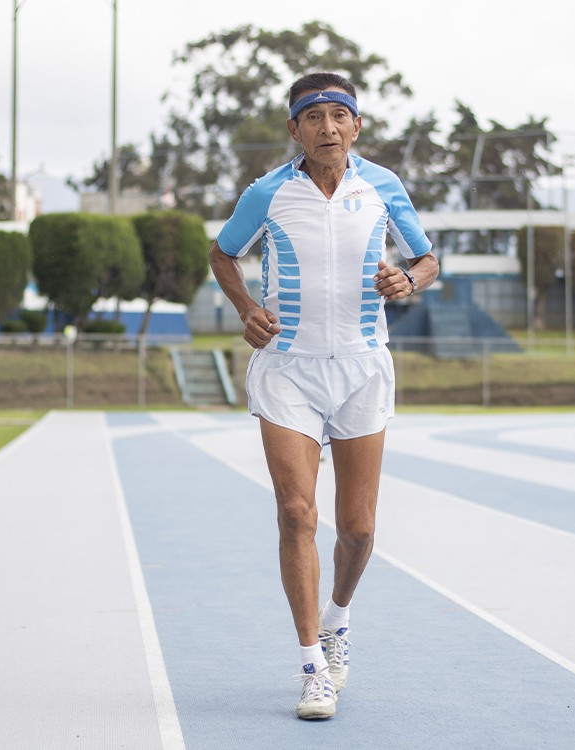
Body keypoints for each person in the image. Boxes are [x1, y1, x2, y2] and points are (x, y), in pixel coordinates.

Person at [208, 72, 439, 720]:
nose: (328, 128)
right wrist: (246, 307)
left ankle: (338, 618)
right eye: (314, 118)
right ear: (295, 130)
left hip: (363, 368)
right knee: (296, 514)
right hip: (287, 368)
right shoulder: (268, 193)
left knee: (360, 530)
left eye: (340, 116)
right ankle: (312, 664)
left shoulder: (383, 187)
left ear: (356, 126)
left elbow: (428, 259)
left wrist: (408, 280)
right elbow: (222, 254)